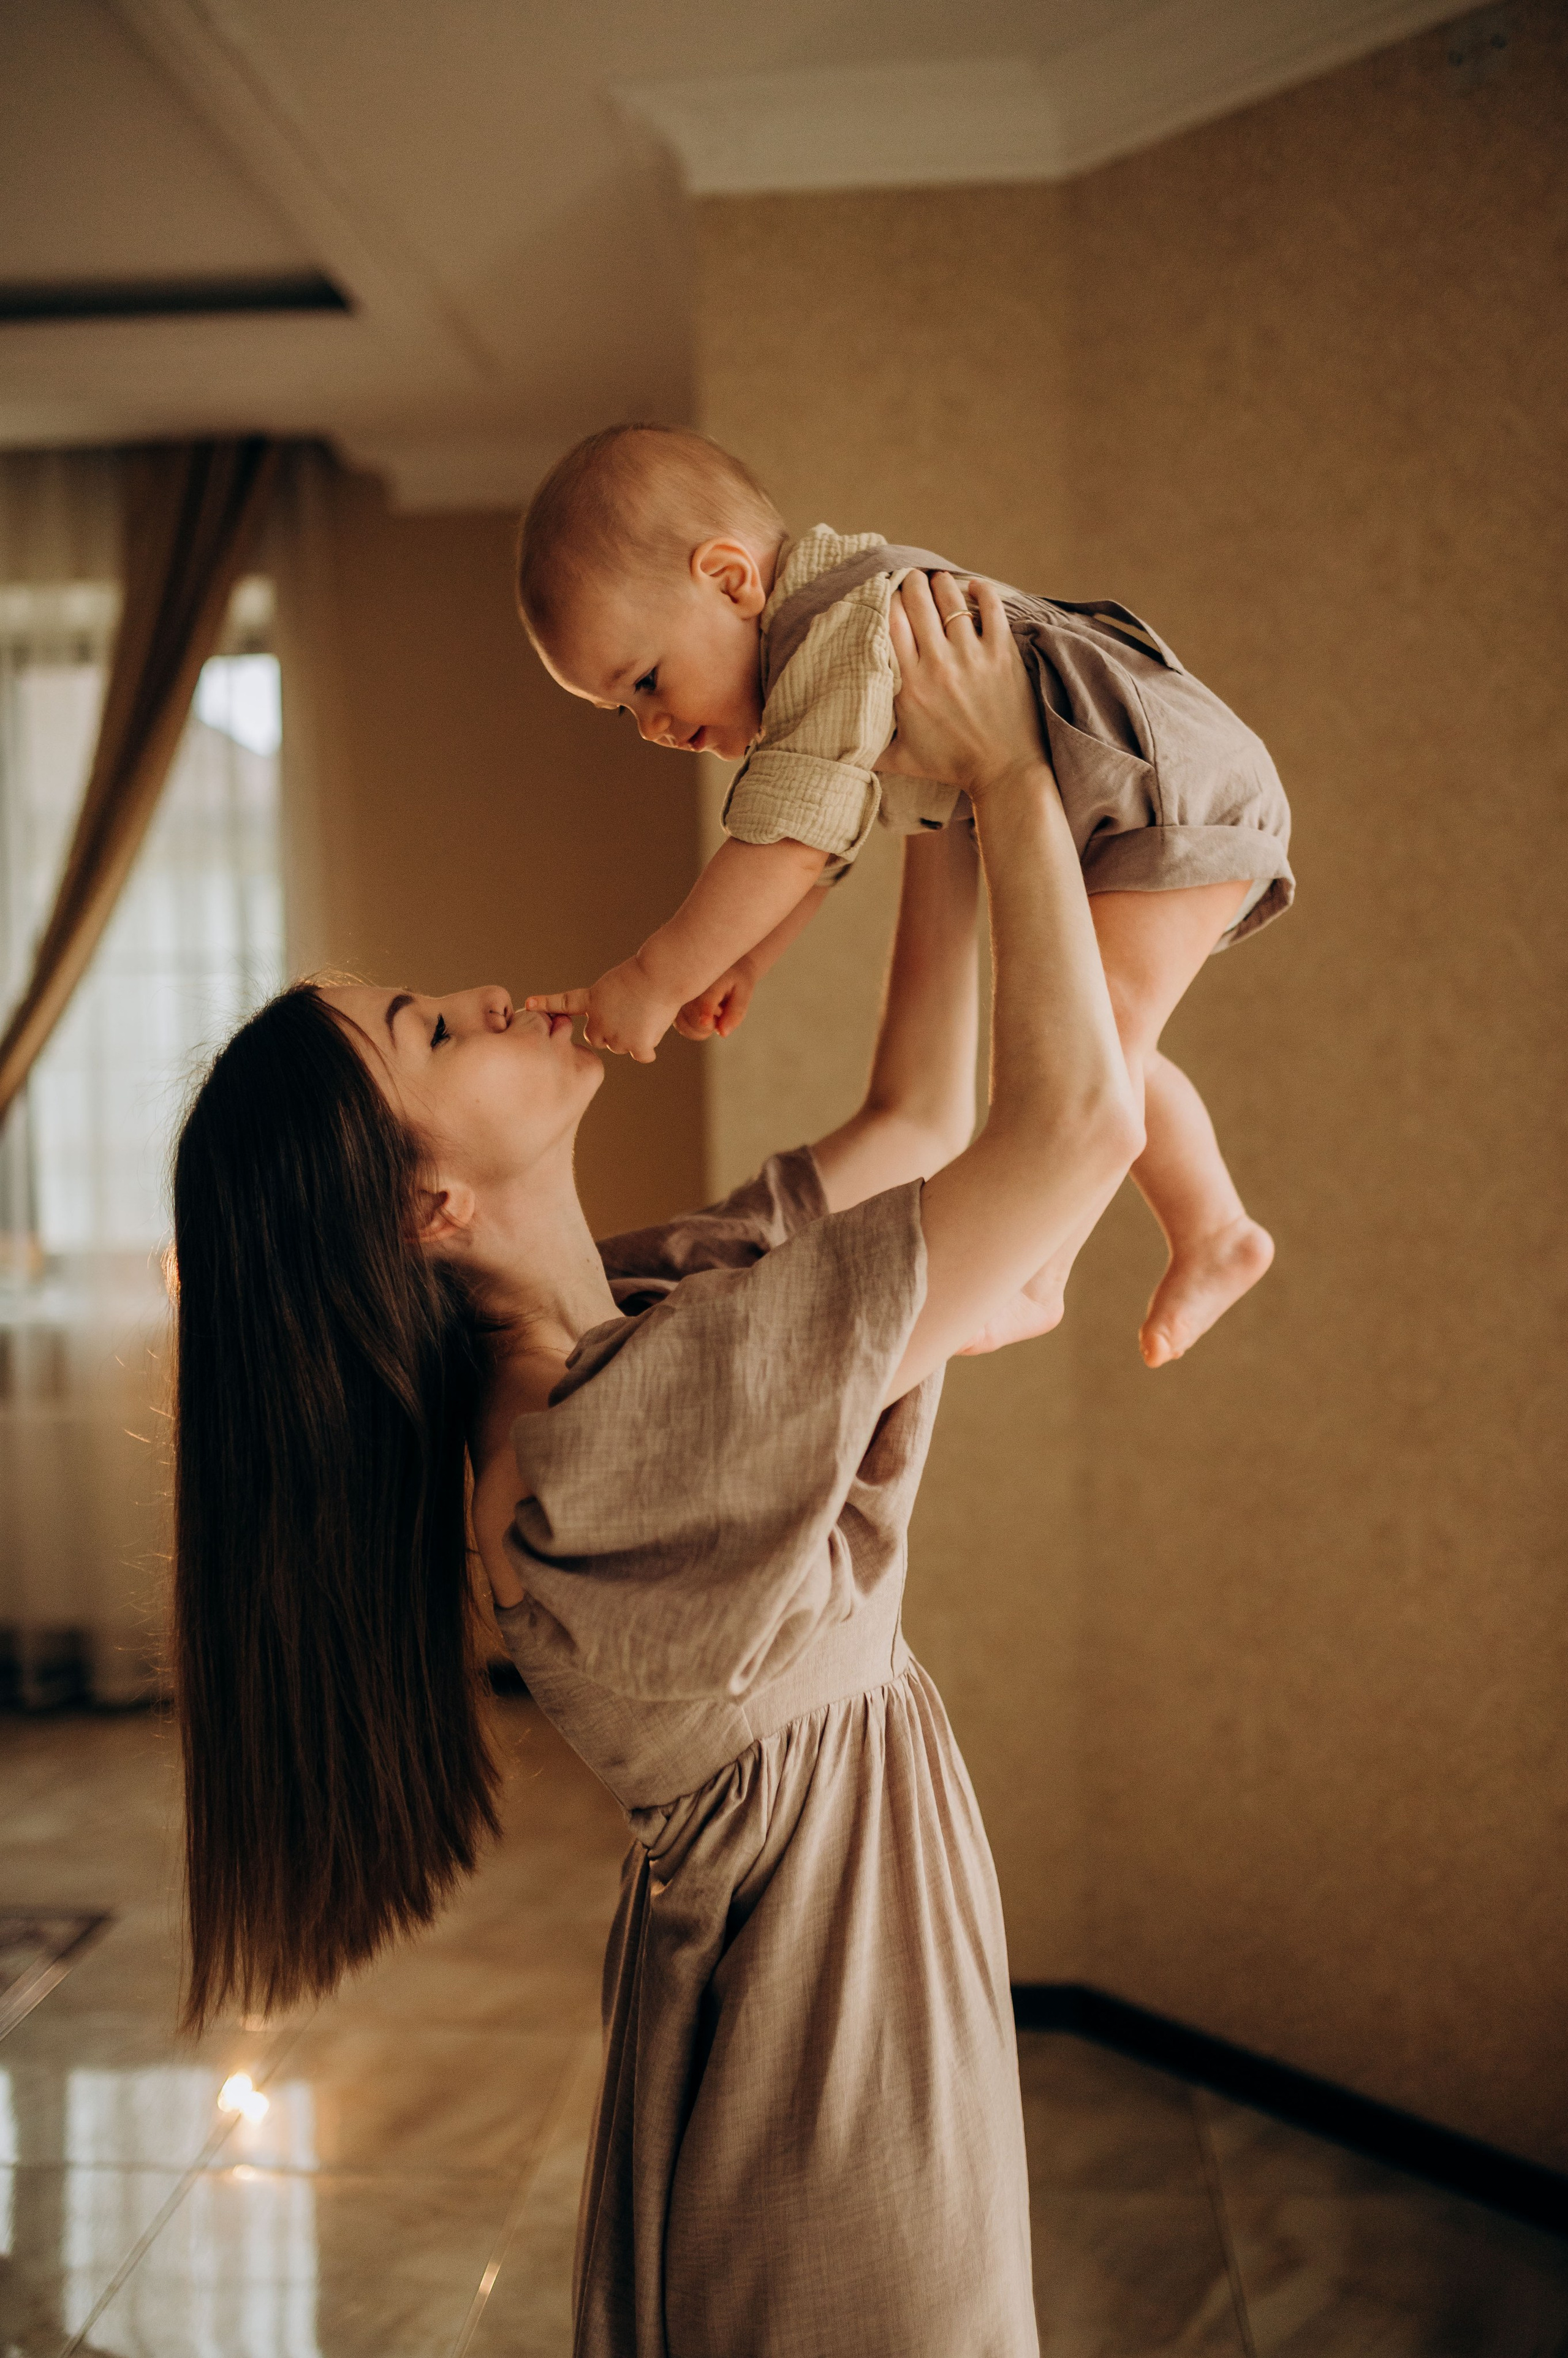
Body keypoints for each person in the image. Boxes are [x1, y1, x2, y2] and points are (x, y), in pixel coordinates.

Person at [171, 572, 1140, 2356]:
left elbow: (921, 1122)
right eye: (431, 1032)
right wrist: (1008, 780)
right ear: (424, 1210)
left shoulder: (630, 1319)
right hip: (830, 2063)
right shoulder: (618, 1447)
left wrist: (905, 763)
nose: (479, 991)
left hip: (837, 1986)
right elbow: (1072, 1136)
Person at [515, 422, 1290, 1368]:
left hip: (1167, 783)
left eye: (646, 681)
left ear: (730, 579)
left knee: (1099, 1031)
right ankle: (1213, 1227)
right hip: (1134, 797)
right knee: (1100, 1027)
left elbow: (791, 840)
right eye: (624, 711)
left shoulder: (833, 635)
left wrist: (653, 974)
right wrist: (747, 955)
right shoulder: (822, 663)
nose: (651, 726)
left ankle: (1040, 1273)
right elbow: (825, 832)